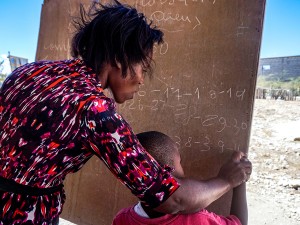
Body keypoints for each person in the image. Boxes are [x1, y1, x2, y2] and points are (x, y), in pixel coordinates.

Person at [0, 1, 251, 224]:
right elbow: (172, 198)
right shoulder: (95, 111)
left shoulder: (30, 71)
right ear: (121, 58)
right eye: (143, 66)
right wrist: (227, 180)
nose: (142, 79)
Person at [112, 131, 251, 225]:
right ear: (168, 170)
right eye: (180, 161)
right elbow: (239, 222)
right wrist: (238, 181)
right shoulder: (196, 219)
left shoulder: (121, 218)